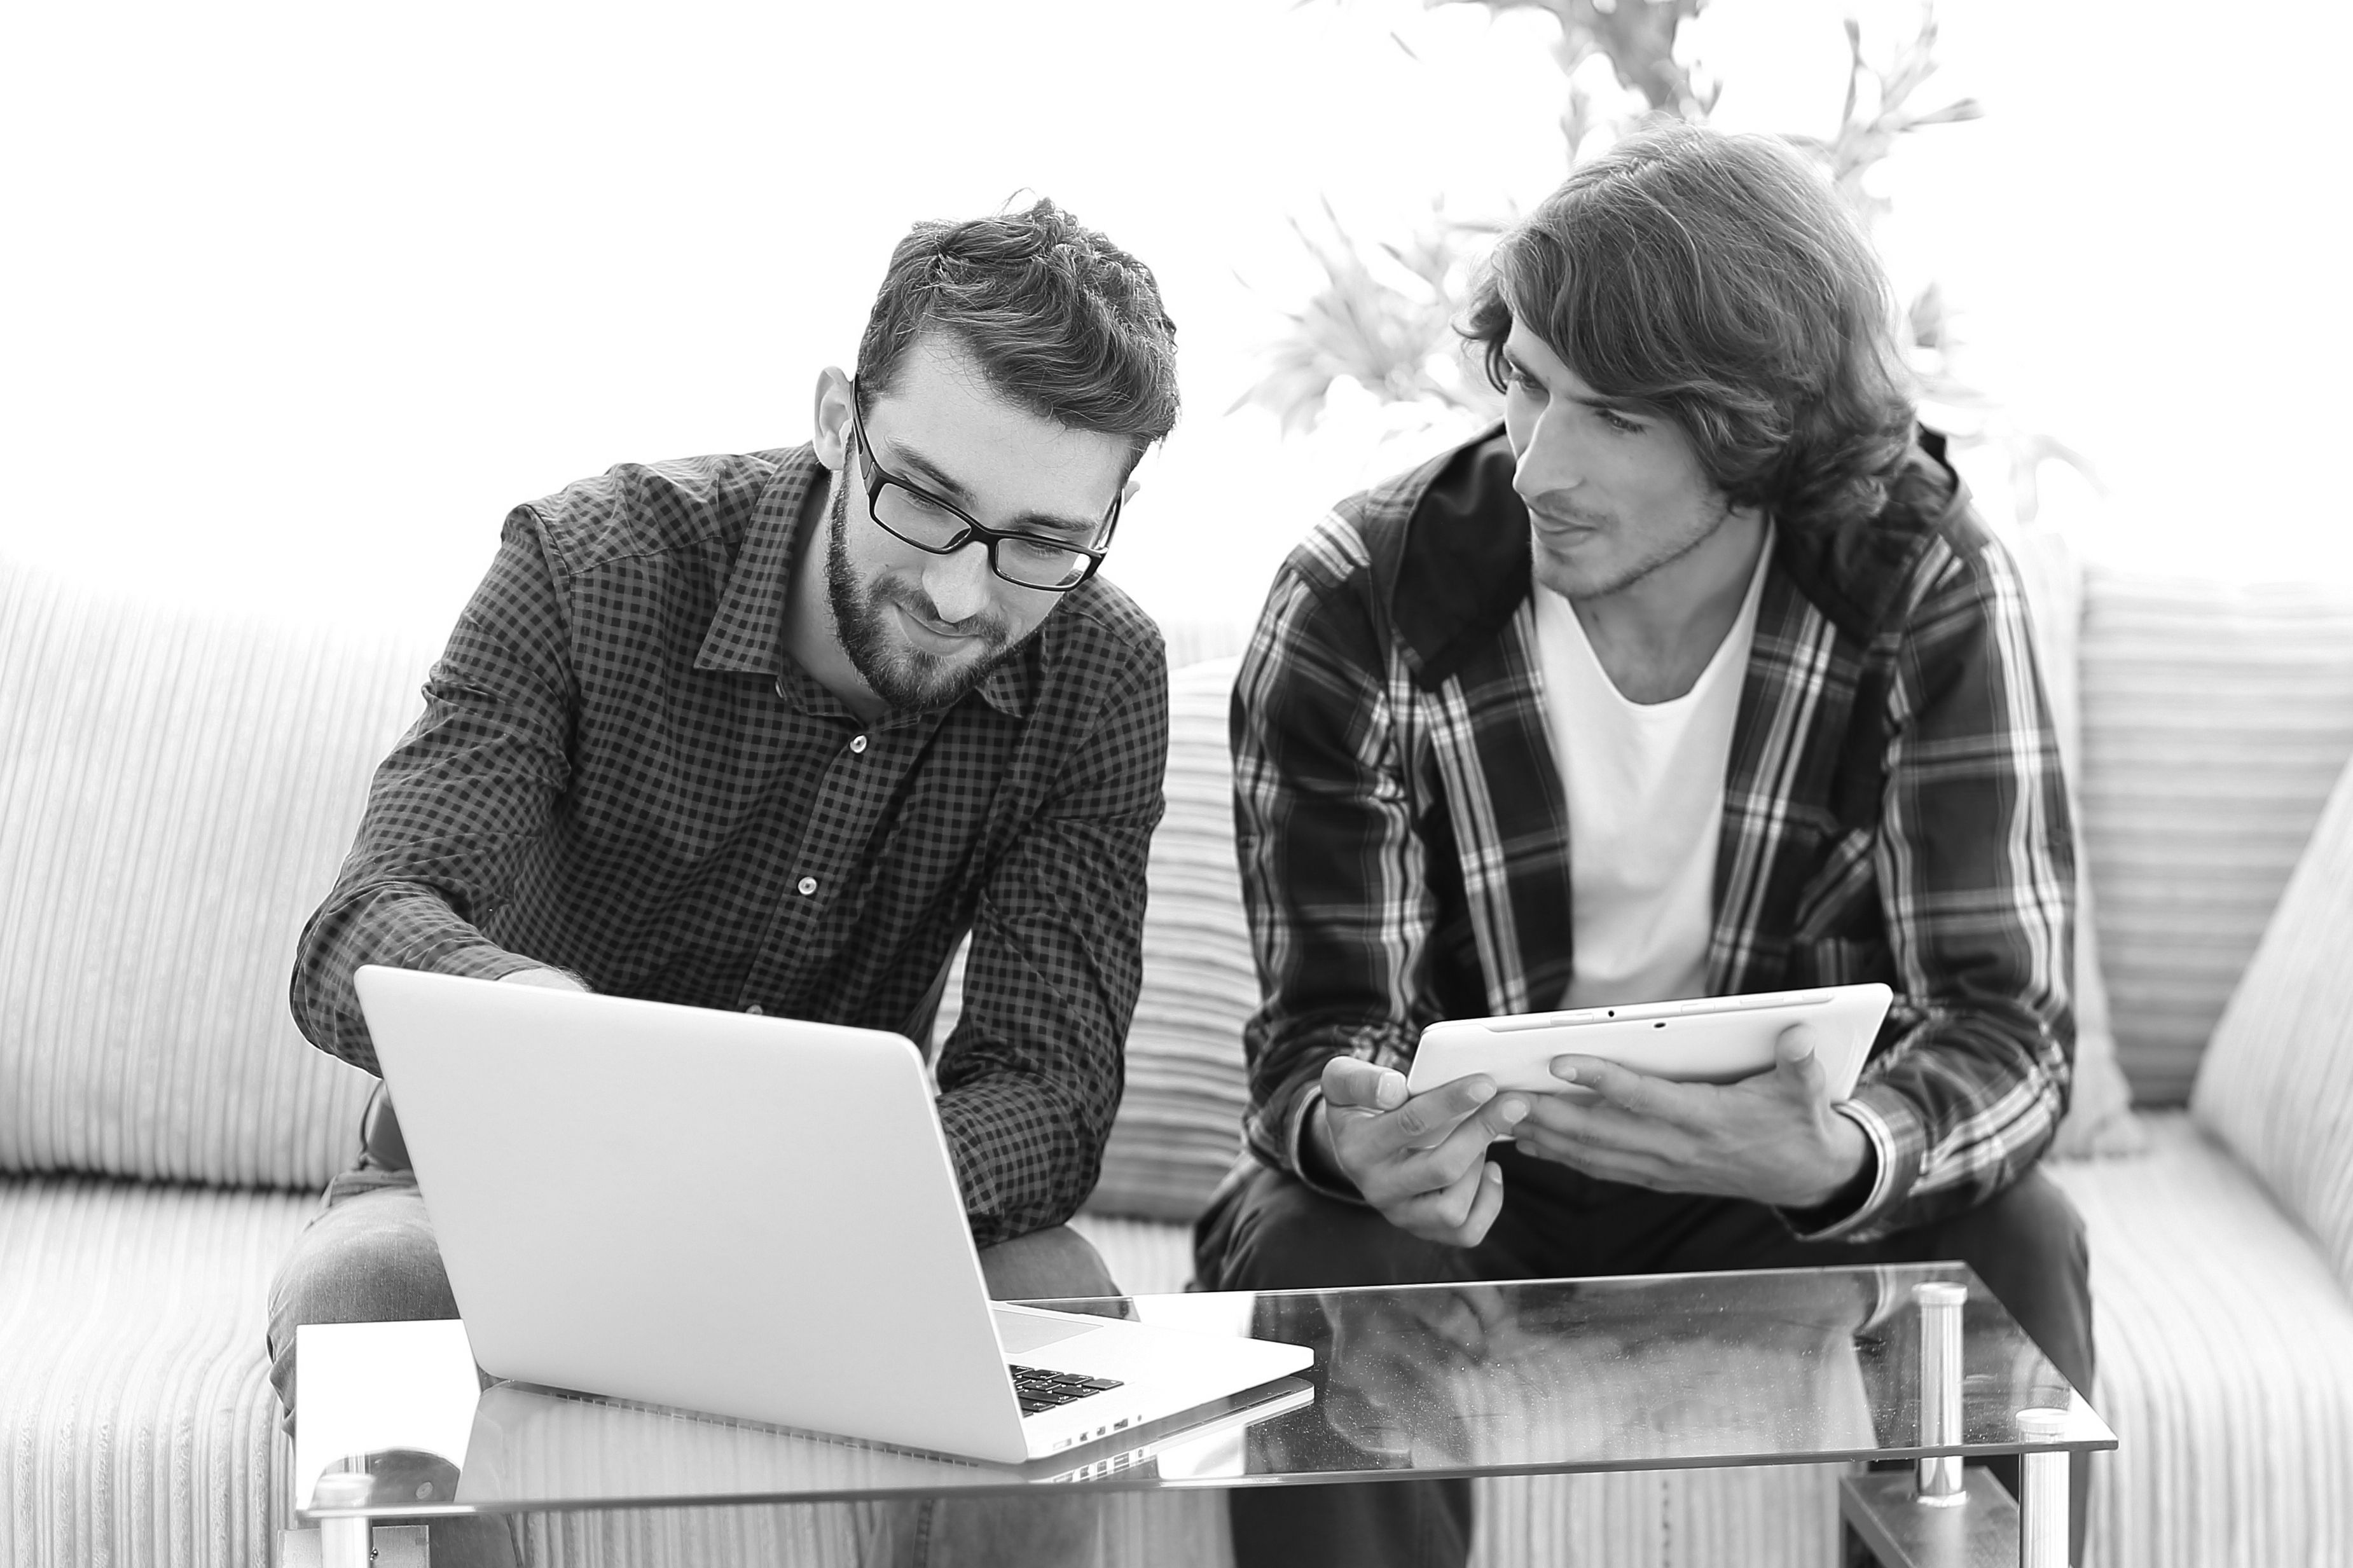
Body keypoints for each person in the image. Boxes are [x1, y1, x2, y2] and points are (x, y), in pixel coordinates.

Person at [1194, 123, 2094, 1567]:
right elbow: (1315, 1037)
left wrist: (1844, 1155)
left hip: (1766, 1180)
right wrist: (1358, 1135)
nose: (1541, 459)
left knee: (2018, 1241)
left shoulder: (1915, 581)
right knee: (1313, 1251)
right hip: (1478, 1194)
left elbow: (2006, 1030)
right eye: (1528, 385)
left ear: (1762, 430)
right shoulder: (1360, 601)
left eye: (1613, 416)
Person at [268, 197, 1180, 1567]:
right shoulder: (592, 559)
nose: (956, 594)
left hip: (856, 1225)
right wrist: (544, 1024)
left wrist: (839, 1173)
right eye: (923, 501)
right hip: (512, 1207)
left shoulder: (1099, 673)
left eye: (1040, 543)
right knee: (363, 1290)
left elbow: (1050, 1095)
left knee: (1065, 1324)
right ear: (834, 418)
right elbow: (359, 932)